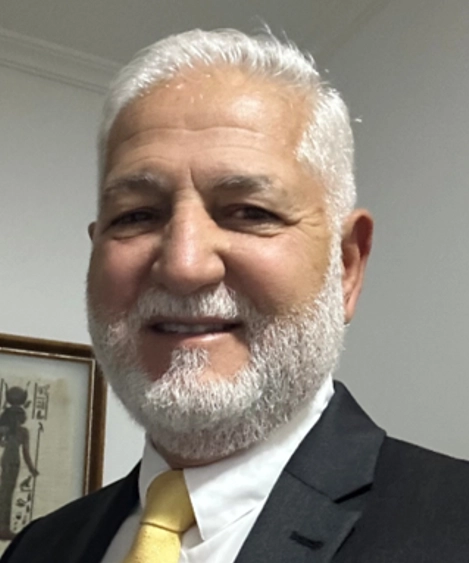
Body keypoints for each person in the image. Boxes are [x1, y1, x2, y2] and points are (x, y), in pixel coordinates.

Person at [2, 28, 469, 563]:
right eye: (136, 216)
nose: (184, 266)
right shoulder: (38, 548)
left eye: (250, 212)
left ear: (346, 265)